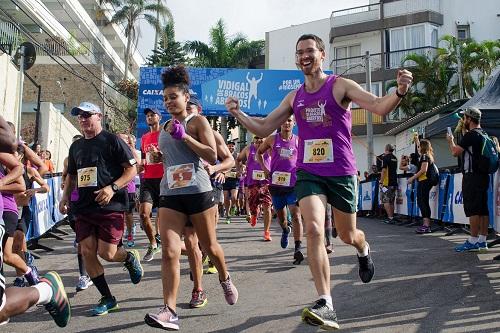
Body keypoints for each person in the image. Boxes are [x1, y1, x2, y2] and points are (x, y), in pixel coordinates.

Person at [225, 34, 412, 329]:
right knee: (313, 228)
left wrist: (399, 91)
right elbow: (263, 126)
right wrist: (238, 113)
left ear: (322, 54)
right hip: (309, 172)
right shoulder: (294, 97)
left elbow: (378, 106)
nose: (304, 56)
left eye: (310, 51)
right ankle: (326, 302)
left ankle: (363, 250)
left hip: (340, 172)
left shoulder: (339, 86)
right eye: (299, 52)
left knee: (348, 235)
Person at [144, 65, 238, 331]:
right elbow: (173, 158)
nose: (168, 102)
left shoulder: (198, 122)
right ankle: (170, 310)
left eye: (173, 96)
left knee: (209, 247)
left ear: (186, 97)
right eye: (165, 98)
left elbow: (211, 156)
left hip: (198, 193)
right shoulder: (163, 126)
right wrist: (161, 157)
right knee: (170, 251)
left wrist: (184, 136)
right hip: (170, 194)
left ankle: (224, 277)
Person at [59, 101, 143, 316]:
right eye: (79, 115)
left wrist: (112, 188)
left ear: (99, 116)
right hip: (84, 207)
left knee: (107, 253)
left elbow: (132, 170)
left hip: (110, 206)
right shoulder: (76, 146)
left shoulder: (111, 140)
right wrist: (65, 197)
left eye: (87, 115)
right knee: (87, 251)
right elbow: (72, 175)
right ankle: (107, 297)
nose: (83, 119)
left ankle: (129, 257)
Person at [0, 115, 70, 328]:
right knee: (11, 253)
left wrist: (33, 188)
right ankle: (31, 279)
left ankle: (39, 284)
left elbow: (32, 175)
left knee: (12, 251)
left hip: (13, 211)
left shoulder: (19, 162)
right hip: (14, 211)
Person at [256, 115, 304, 263]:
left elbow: (305, 158)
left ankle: (298, 248)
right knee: (282, 219)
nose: (286, 123)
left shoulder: (298, 141)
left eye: (289, 120)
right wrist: (264, 168)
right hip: (276, 185)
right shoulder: (272, 139)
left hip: (293, 185)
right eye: (283, 121)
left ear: (294, 123)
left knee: (296, 216)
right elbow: (259, 153)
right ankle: (285, 230)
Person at [447, 107, 490, 252]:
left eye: (464, 118)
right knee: (483, 209)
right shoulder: (483, 133)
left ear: (470, 119)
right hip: (483, 175)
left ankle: (472, 240)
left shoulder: (470, 135)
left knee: (473, 210)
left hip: (471, 177)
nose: (463, 120)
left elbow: (455, 152)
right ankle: (482, 240)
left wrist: (451, 140)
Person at [61, 134, 92, 291]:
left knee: (85, 242)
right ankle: (84, 276)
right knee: (81, 239)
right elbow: (66, 175)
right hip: (74, 200)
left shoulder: (92, 157)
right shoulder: (68, 160)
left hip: (88, 201)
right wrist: (64, 193)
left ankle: (85, 274)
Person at [138, 107, 164, 261]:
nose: (149, 117)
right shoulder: (145, 137)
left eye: (152, 115)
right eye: (147, 115)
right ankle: (153, 243)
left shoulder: (165, 135)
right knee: (143, 214)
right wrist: (140, 166)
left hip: (163, 178)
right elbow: (143, 158)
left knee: (162, 215)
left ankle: (160, 240)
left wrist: (160, 155)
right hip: (148, 179)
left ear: (159, 117)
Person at [236, 136, 273, 241]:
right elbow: (238, 159)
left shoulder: (269, 148)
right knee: (253, 205)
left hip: (266, 182)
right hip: (252, 183)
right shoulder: (248, 149)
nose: (259, 141)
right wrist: (238, 170)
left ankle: (266, 232)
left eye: (261, 138)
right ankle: (253, 214)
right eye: (257, 138)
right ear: (254, 139)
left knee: (267, 206)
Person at [407, 139, 436, 234]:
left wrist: (412, 178)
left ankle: (426, 225)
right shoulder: (426, 155)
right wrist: (417, 141)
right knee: (422, 202)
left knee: (422, 202)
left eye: (419, 147)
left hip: (425, 181)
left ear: (423, 147)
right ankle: (426, 224)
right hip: (424, 181)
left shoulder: (424, 156)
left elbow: (423, 169)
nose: (418, 148)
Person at [118, 134, 141, 248]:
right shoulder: (113, 150)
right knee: (118, 213)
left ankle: (131, 233)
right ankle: (119, 237)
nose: (120, 141)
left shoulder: (131, 151)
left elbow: (139, 165)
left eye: (123, 139)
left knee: (128, 213)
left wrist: (130, 147)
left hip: (129, 188)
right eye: (119, 139)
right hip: (116, 188)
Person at [380, 144, 398, 224]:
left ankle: (390, 218)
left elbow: (384, 171)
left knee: (386, 200)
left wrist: (381, 181)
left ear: (386, 149)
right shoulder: (395, 158)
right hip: (394, 182)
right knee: (391, 201)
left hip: (387, 183)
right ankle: (392, 217)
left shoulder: (385, 158)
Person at [222, 141, 239, 223]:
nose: (231, 147)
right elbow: (220, 165)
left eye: (232, 146)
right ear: (226, 147)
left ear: (235, 147)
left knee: (234, 197)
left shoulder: (238, 155)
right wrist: (223, 173)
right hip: (225, 179)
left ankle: (233, 206)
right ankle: (228, 215)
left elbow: (241, 166)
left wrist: (239, 172)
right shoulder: (223, 155)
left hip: (234, 179)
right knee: (225, 198)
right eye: (229, 146)